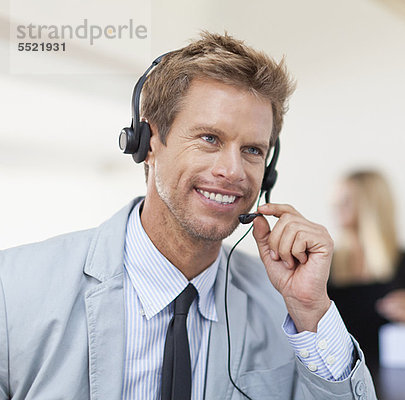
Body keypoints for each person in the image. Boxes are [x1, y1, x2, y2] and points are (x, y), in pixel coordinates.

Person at [0, 32, 376, 400]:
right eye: (209, 138)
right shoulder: (14, 290)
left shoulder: (283, 304)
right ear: (147, 143)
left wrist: (311, 311)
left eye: (252, 150)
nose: (233, 171)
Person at [328, 170, 405, 372]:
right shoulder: (327, 261)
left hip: (388, 370)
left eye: (346, 201)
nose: (335, 208)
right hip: (340, 371)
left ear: (370, 206)